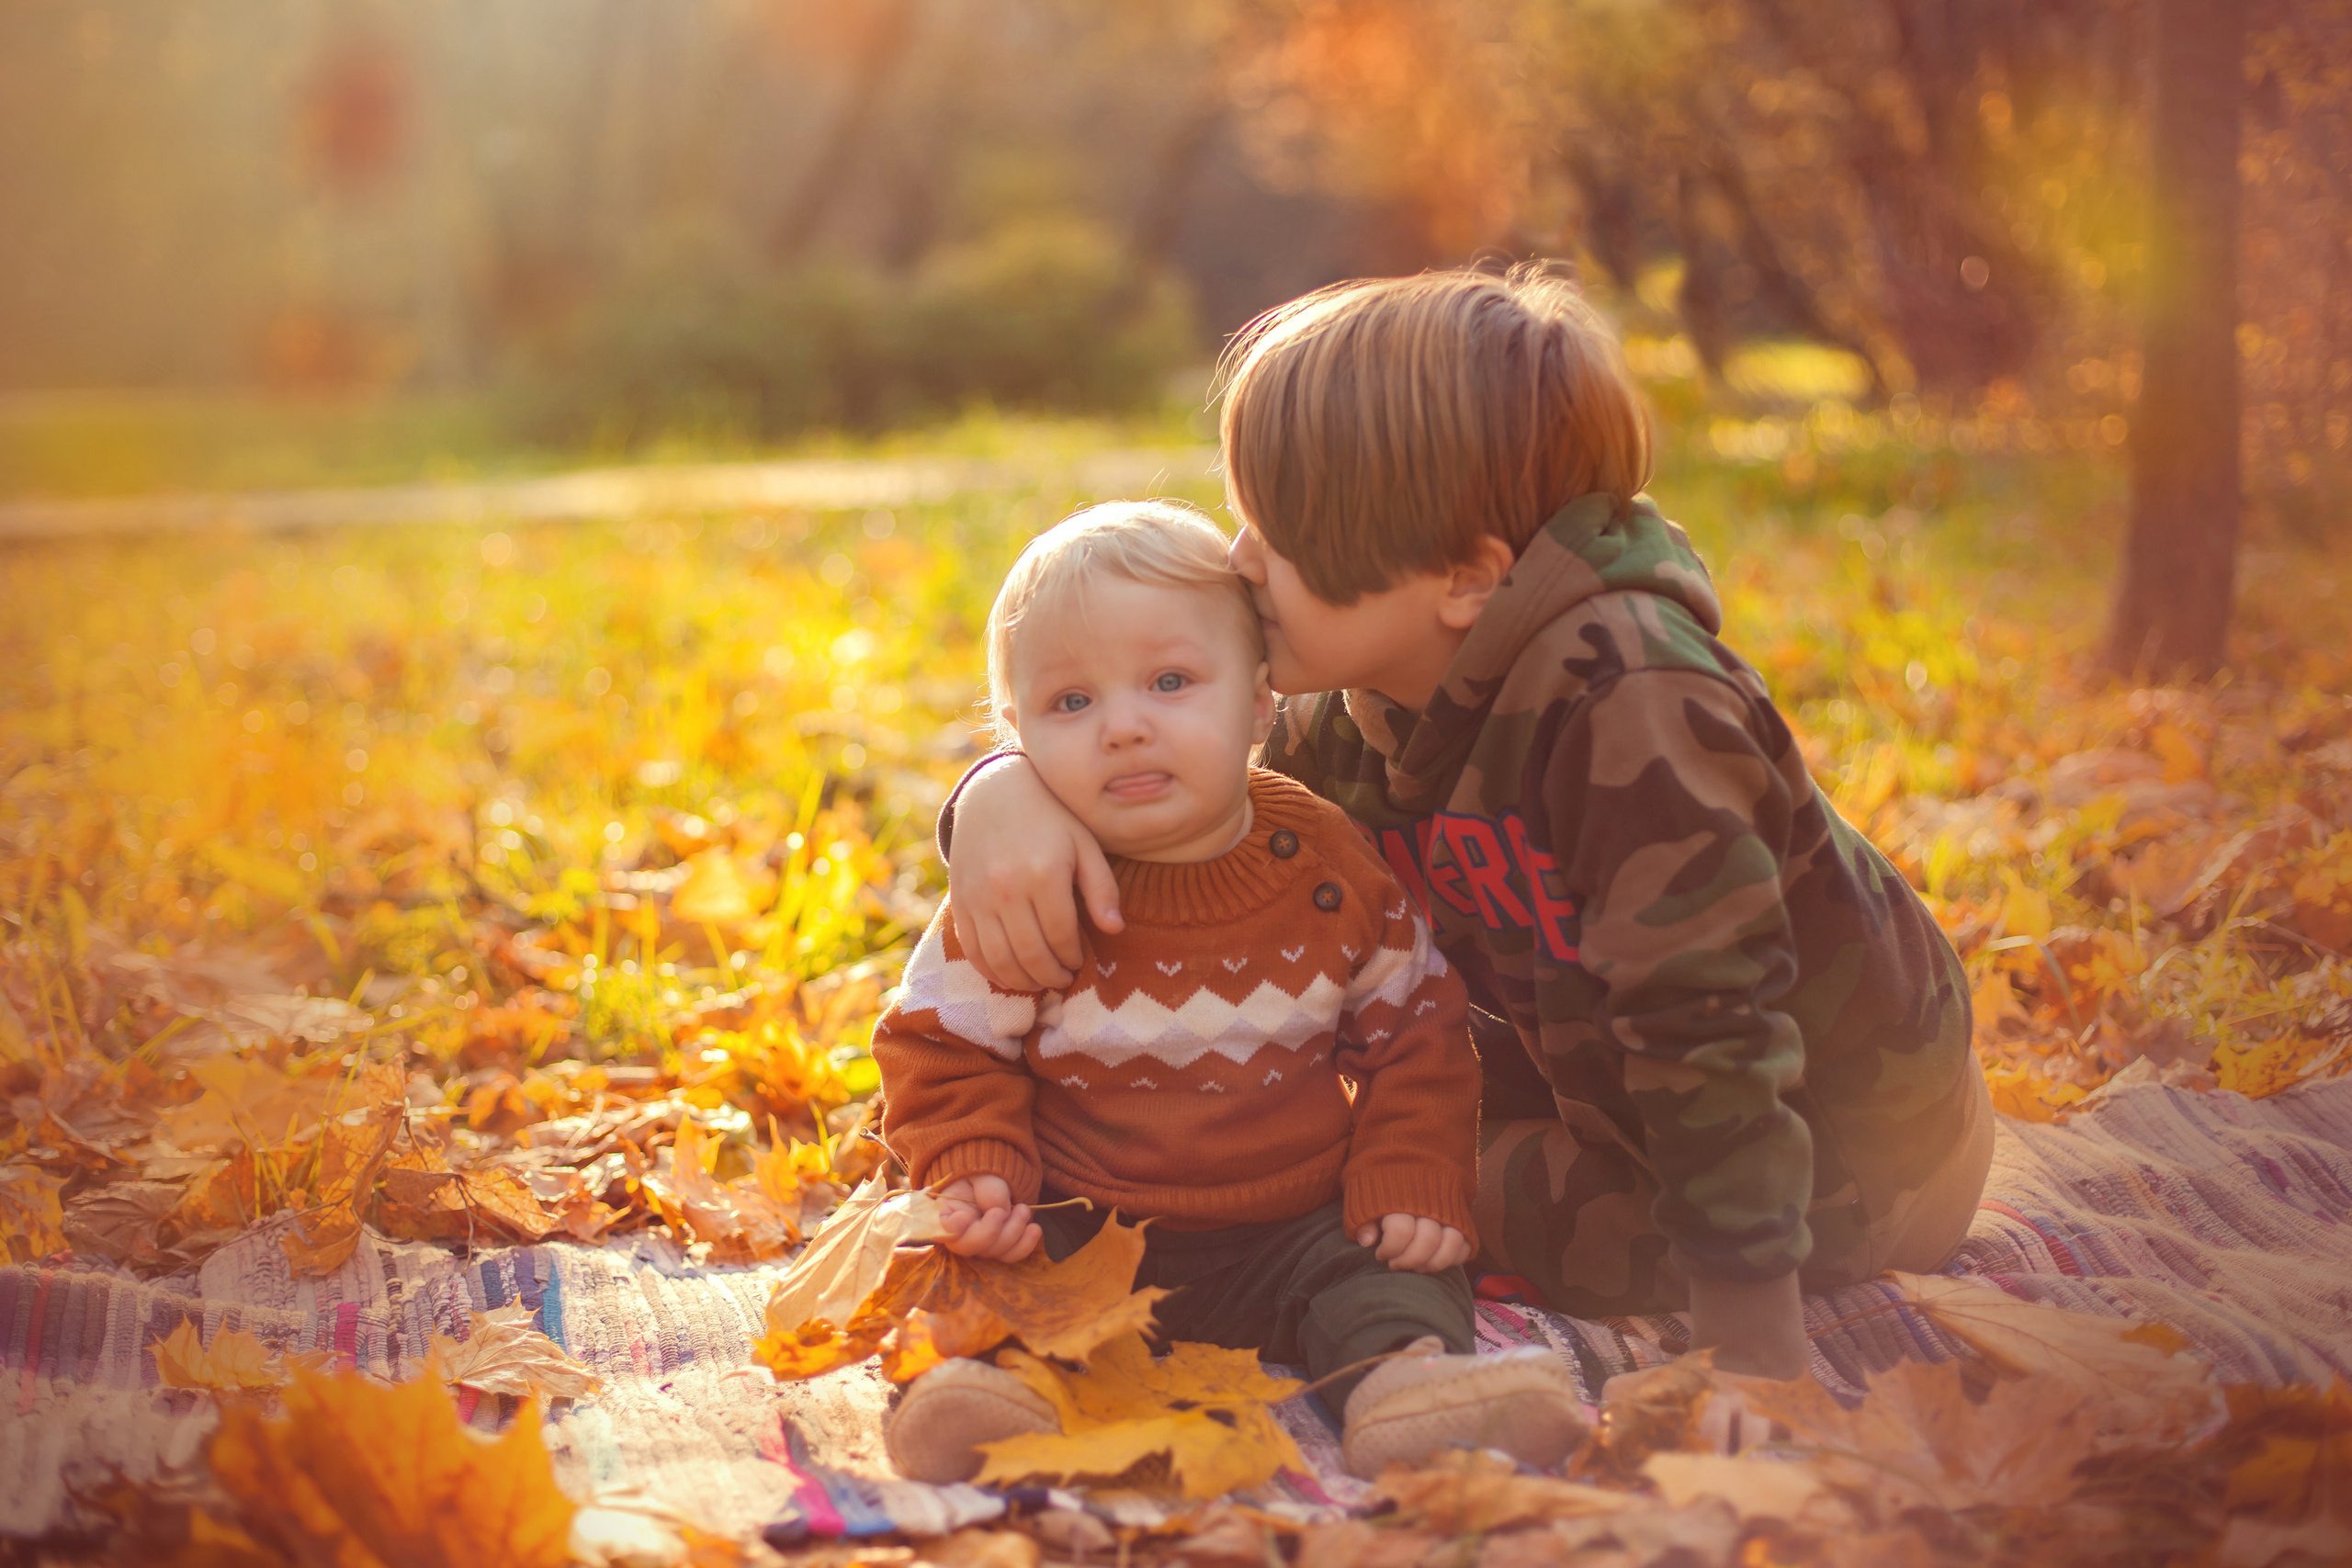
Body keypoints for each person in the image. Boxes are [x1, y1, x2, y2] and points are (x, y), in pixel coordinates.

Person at [941, 268, 1995, 1388]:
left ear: (1461, 578)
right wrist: (998, 788)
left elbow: (1710, 1027)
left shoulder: (1629, 698)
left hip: (1838, 1161)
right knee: (1241, 1166)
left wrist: (1748, 1331)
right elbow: (1173, 786)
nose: (1240, 562)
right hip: (1604, 1105)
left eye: (1278, 531)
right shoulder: (1357, 703)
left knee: (1356, 1203)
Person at [874, 501, 1586, 1484]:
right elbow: (941, 1042)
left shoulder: (1325, 862)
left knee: (1391, 1273)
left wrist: (1409, 1171)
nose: (1123, 727)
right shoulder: (1032, 886)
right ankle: (999, 1391)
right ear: (1016, 732)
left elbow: (1414, 1027)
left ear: (1259, 704)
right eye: (1070, 704)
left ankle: (1406, 1389)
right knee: (987, 1264)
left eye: (1170, 683)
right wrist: (976, 1165)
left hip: (1293, 1221)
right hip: (1081, 1215)